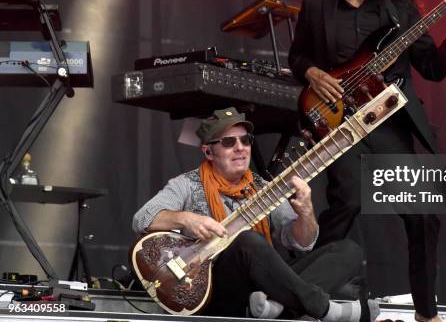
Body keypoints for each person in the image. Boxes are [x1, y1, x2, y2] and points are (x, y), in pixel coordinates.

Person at [288, 0, 446, 322]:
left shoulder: (400, 10)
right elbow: (297, 56)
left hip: (387, 125)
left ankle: (427, 315)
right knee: (348, 204)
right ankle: (304, 302)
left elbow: (433, 68)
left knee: (424, 215)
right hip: (339, 126)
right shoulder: (318, 4)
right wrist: (312, 74)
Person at [132, 107, 376, 321]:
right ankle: (322, 309)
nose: (240, 148)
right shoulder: (186, 184)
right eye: (229, 143)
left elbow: (301, 243)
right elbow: (142, 218)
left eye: (245, 140)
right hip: (217, 289)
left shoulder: (263, 188)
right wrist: (186, 219)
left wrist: (306, 213)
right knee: (246, 241)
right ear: (208, 152)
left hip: (262, 290)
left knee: (348, 251)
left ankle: (276, 308)